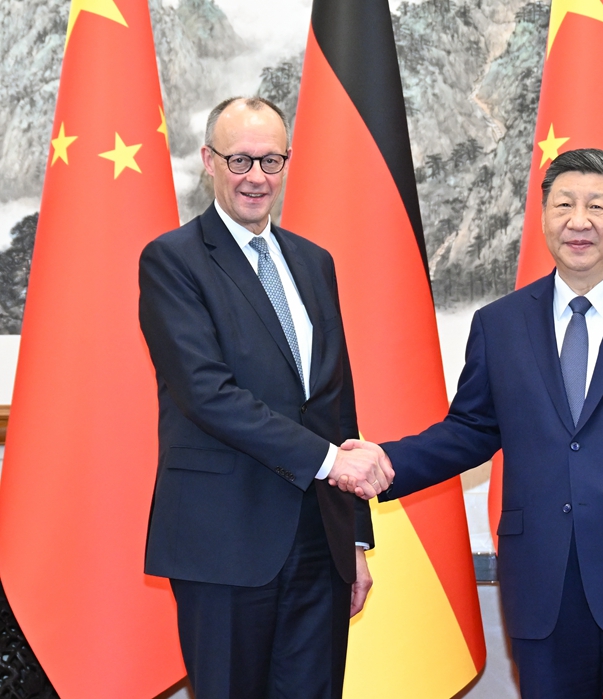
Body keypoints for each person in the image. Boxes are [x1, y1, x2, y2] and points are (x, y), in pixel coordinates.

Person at [339, 149, 603, 699]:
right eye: (564, 205)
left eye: (598, 206)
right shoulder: (500, 323)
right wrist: (386, 462)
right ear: (543, 216)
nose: (579, 221)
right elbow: (471, 430)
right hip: (543, 580)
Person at [138, 96, 392, 699]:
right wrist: (333, 464)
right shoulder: (172, 261)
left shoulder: (314, 262)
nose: (257, 177)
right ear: (209, 160)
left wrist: (354, 537)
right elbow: (208, 395)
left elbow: (337, 405)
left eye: (271, 160)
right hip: (224, 542)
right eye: (240, 160)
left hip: (318, 544)